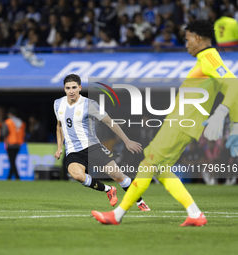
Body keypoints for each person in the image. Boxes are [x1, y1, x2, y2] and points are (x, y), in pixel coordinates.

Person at [92, 20, 238, 226]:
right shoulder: (207, 59)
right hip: (181, 124)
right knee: (161, 169)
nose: (186, 44)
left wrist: (222, 114)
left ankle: (117, 215)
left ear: (197, 38)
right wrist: (234, 125)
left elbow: (234, 85)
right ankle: (195, 214)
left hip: (181, 125)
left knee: (147, 164)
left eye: (187, 39)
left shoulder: (209, 58)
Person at [54, 74, 150, 210]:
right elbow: (59, 126)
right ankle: (109, 190)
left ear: (80, 88)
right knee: (77, 175)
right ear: (64, 89)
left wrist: (127, 141)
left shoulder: (89, 104)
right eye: (68, 88)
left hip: (92, 147)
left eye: (74, 87)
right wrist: (59, 148)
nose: (71, 91)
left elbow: (109, 122)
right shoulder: (58, 103)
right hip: (73, 150)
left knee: (117, 175)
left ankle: (140, 202)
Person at [0, 107, 26, 180]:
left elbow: (3, 133)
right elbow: (24, 133)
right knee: (13, 160)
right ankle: (9, 176)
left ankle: (17, 177)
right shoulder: (21, 122)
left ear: (10, 114)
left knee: (12, 161)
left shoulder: (8, 122)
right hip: (18, 144)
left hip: (10, 143)